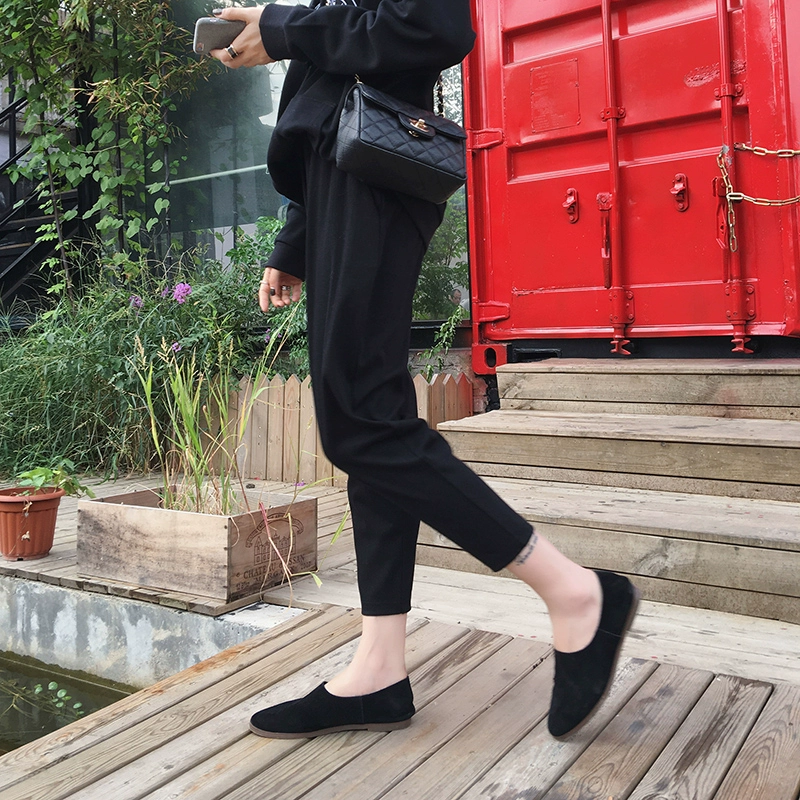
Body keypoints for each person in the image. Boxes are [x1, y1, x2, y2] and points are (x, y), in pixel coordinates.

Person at [212, 0, 639, 740]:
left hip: (374, 174)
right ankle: (380, 667)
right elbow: (334, 81)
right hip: (343, 175)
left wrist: (281, 28)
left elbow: (431, 28)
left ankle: (575, 593)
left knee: (361, 421)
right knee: (369, 418)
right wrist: (297, 238)